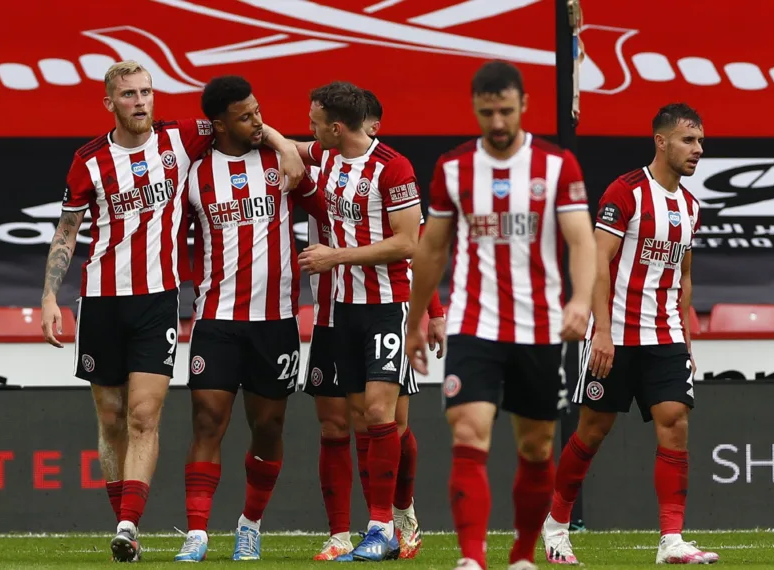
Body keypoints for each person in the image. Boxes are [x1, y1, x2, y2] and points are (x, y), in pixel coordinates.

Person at [38, 60, 305, 562]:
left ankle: (127, 527)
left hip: (158, 300)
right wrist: (50, 296)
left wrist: (285, 144)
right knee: (111, 417)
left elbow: (243, 120)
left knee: (143, 414)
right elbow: (67, 232)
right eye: (129, 95)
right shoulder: (88, 160)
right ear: (109, 103)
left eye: (146, 92)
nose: (140, 101)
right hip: (100, 299)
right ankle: (127, 519)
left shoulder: (182, 138)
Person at [403, 60, 596, 570]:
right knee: (468, 431)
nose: (497, 122)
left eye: (506, 111)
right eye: (487, 112)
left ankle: (522, 556)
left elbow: (581, 240)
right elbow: (431, 251)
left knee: (535, 448)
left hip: (539, 328)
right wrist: (416, 318)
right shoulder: (453, 167)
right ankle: (471, 559)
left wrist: (579, 302)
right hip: (474, 323)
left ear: (524, 106)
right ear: (474, 108)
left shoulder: (558, 166)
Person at [542, 103, 719, 565]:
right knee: (593, 431)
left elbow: (684, 277)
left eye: (700, 141)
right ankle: (556, 526)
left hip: (664, 337)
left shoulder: (691, 206)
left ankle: (672, 541)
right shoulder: (627, 192)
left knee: (675, 423)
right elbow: (597, 262)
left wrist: (685, 338)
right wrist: (601, 330)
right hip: (616, 334)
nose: (698, 149)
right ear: (661, 141)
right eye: (688, 140)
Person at [171, 75, 324, 562]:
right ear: (218, 124)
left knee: (269, 426)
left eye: (259, 110)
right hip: (215, 319)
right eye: (245, 116)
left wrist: (279, 139)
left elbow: (334, 156)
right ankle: (196, 532)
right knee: (207, 421)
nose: (257, 120)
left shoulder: (283, 162)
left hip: (275, 320)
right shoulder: (192, 174)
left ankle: (249, 525)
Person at [304, 89, 445, 561]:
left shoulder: (393, 167)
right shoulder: (324, 158)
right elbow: (290, 147)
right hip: (344, 308)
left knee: (384, 416)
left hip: (388, 304)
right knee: (365, 420)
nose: (311, 128)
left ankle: (383, 524)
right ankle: (388, 521)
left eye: (316, 121)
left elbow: (409, 243)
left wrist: (334, 256)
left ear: (338, 126)